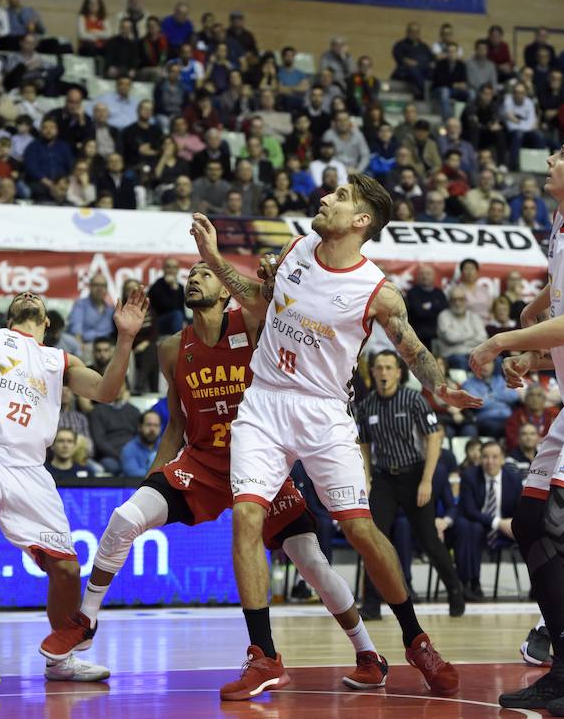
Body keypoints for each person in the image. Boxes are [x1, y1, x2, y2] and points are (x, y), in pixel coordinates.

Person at [183, 176, 480, 700]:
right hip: (266, 401)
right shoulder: (296, 248)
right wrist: (215, 255)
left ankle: (416, 640)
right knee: (248, 515)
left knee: (360, 530)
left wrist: (440, 388)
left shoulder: (377, 291)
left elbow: (411, 350)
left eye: (340, 198)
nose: (325, 199)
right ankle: (264, 656)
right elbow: (258, 300)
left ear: (361, 221)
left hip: (324, 413)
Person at [40, 260, 391, 693]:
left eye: (205, 274)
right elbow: (174, 425)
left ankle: (369, 653)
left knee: (313, 564)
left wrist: (270, 274)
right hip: (203, 464)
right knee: (124, 519)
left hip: (263, 465)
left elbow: (277, 306)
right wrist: (154, 478)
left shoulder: (251, 323)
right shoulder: (172, 347)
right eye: (191, 274)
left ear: (226, 291)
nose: (194, 278)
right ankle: (86, 619)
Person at [0, 286, 148, 691]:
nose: (28, 292)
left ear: (48, 323)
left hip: (30, 466)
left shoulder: (58, 359)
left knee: (66, 568)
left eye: (36, 296)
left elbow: (106, 391)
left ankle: (61, 660)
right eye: (19, 294)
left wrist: (124, 339)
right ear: (9, 314)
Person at [468, 137, 564, 711]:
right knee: (530, 520)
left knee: (559, 523)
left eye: (562, 153)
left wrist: (506, 338)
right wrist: (535, 319)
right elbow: (561, 294)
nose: (551, 159)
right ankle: (563, 660)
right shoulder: (559, 218)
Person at [356, 351, 465, 620]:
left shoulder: (413, 399)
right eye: (378, 368)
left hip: (414, 475)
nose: (383, 373)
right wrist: (367, 477)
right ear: (373, 372)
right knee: (373, 541)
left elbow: (434, 437)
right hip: (383, 478)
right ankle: (371, 603)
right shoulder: (366, 405)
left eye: (388, 368)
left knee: (429, 539)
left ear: (398, 372)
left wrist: (427, 481)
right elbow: (365, 445)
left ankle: (455, 590)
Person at [455, 440, 523, 603]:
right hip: (478, 524)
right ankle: (470, 583)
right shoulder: (469, 476)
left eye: (494, 457)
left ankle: (539, 587)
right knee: (470, 527)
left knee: (533, 533)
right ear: (480, 459)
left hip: (505, 528)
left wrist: (513, 523)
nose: (490, 461)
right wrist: (497, 522)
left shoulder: (513, 479)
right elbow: (470, 510)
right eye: (485, 457)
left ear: (502, 459)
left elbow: (520, 509)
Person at [462, 360, 520, 438]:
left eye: (489, 363)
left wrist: (490, 396)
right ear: (475, 366)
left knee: (523, 427)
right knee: (501, 428)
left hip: (508, 417)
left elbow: (514, 396)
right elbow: (478, 402)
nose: (485, 366)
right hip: (487, 419)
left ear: (493, 365)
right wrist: (502, 396)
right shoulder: (468, 384)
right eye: (482, 363)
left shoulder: (500, 379)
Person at [436, 286, 487, 370]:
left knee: (497, 360)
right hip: (452, 355)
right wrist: (472, 334)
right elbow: (450, 338)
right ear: (449, 302)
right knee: (460, 360)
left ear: (466, 301)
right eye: (454, 300)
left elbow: (483, 338)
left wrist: (461, 340)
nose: (457, 303)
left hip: (474, 354)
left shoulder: (474, 316)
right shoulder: (443, 316)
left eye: (460, 299)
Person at [66, 275, 115, 359]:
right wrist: (79, 346)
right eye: (96, 285)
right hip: (86, 345)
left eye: (103, 286)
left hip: (106, 346)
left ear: (107, 289)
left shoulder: (111, 310)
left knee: (127, 354)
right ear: (90, 287)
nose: (100, 288)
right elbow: (76, 330)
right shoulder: (80, 304)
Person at [405, 264, 448, 350]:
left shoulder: (439, 293)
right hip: (417, 337)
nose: (425, 276)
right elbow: (418, 313)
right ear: (417, 276)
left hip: (439, 336)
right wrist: (435, 307)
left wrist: (427, 308)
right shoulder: (412, 293)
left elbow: (445, 313)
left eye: (428, 274)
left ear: (433, 276)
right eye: (422, 274)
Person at [506, 384, 556, 450]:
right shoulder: (516, 416)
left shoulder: (552, 416)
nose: (535, 398)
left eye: (539, 395)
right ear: (526, 398)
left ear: (544, 399)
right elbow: (511, 439)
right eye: (531, 395)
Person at [147, 257, 186, 336]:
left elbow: (181, 307)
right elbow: (169, 307)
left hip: (176, 320)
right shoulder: (156, 286)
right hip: (158, 322)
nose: (171, 270)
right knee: (177, 315)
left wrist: (185, 320)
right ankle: (178, 341)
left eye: (174, 267)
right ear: (163, 269)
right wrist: (173, 288)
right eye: (168, 267)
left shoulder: (180, 287)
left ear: (178, 270)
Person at [120, 411, 162, 477]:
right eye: (148, 425)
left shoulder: (165, 447)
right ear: (140, 427)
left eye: (156, 425)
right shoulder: (129, 449)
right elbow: (132, 474)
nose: (152, 429)